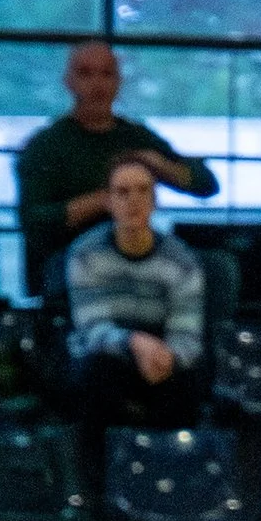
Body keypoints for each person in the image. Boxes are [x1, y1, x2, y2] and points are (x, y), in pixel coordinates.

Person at [14, 37, 219, 292]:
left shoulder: (137, 138)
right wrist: (105, 200)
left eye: (107, 74)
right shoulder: (45, 146)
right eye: (86, 74)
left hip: (137, 251)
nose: (97, 84)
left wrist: (161, 166)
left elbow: (207, 185)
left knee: (217, 269)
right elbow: (33, 222)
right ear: (69, 82)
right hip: (71, 259)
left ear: (119, 82)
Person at [62, 157, 210, 449]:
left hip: (161, 356)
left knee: (188, 381)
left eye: (144, 191)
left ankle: (176, 475)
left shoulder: (183, 262)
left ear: (155, 201)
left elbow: (188, 337)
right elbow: (90, 329)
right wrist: (134, 343)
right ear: (108, 201)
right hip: (107, 355)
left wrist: (168, 357)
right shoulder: (85, 255)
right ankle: (94, 486)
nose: (134, 201)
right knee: (96, 373)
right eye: (123, 192)